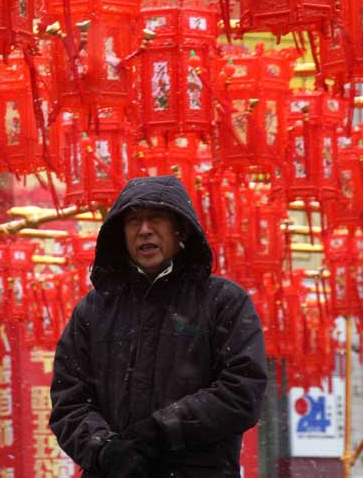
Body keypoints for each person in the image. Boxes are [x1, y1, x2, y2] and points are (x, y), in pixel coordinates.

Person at [49, 175, 268, 478]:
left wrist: (163, 429)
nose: (144, 230)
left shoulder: (223, 301)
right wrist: (105, 449)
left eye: (156, 218)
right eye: (133, 220)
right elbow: (69, 400)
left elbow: (242, 390)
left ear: (180, 228)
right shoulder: (94, 309)